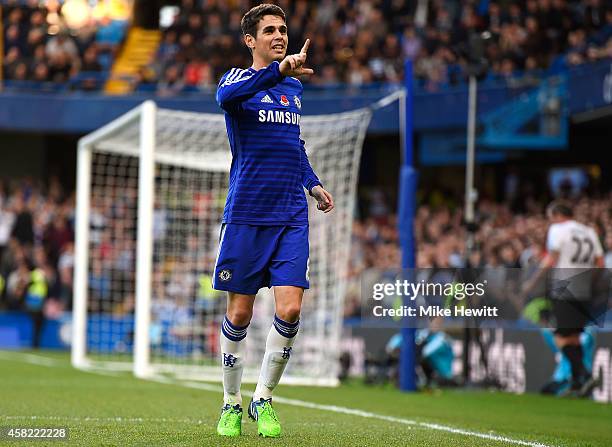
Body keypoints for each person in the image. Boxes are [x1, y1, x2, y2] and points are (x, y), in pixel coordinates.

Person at [212, 3, 333, 438]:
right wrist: (279, 70)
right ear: (251, 40)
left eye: (282, 29)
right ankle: (230, 403)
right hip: (246, 215)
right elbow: (225, 99)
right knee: (240, 313)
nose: (279, 35)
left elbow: (292, 145)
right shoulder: (237, 80)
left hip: (290, 216)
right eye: (269, 31)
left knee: (291, 307)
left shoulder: (293, 90)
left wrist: (313, 184)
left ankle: (263, 398)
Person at [524, 201, 604, 397]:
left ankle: (585, 375)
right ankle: (578, 383)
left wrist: (532, 283)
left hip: (564, 286)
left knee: (560, 337)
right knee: (574, 337)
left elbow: (551, 259)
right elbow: (600, 263)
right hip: (584, 289)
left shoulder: (557, 229)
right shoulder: (589, 231)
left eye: (550, 216)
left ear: (557, 215)